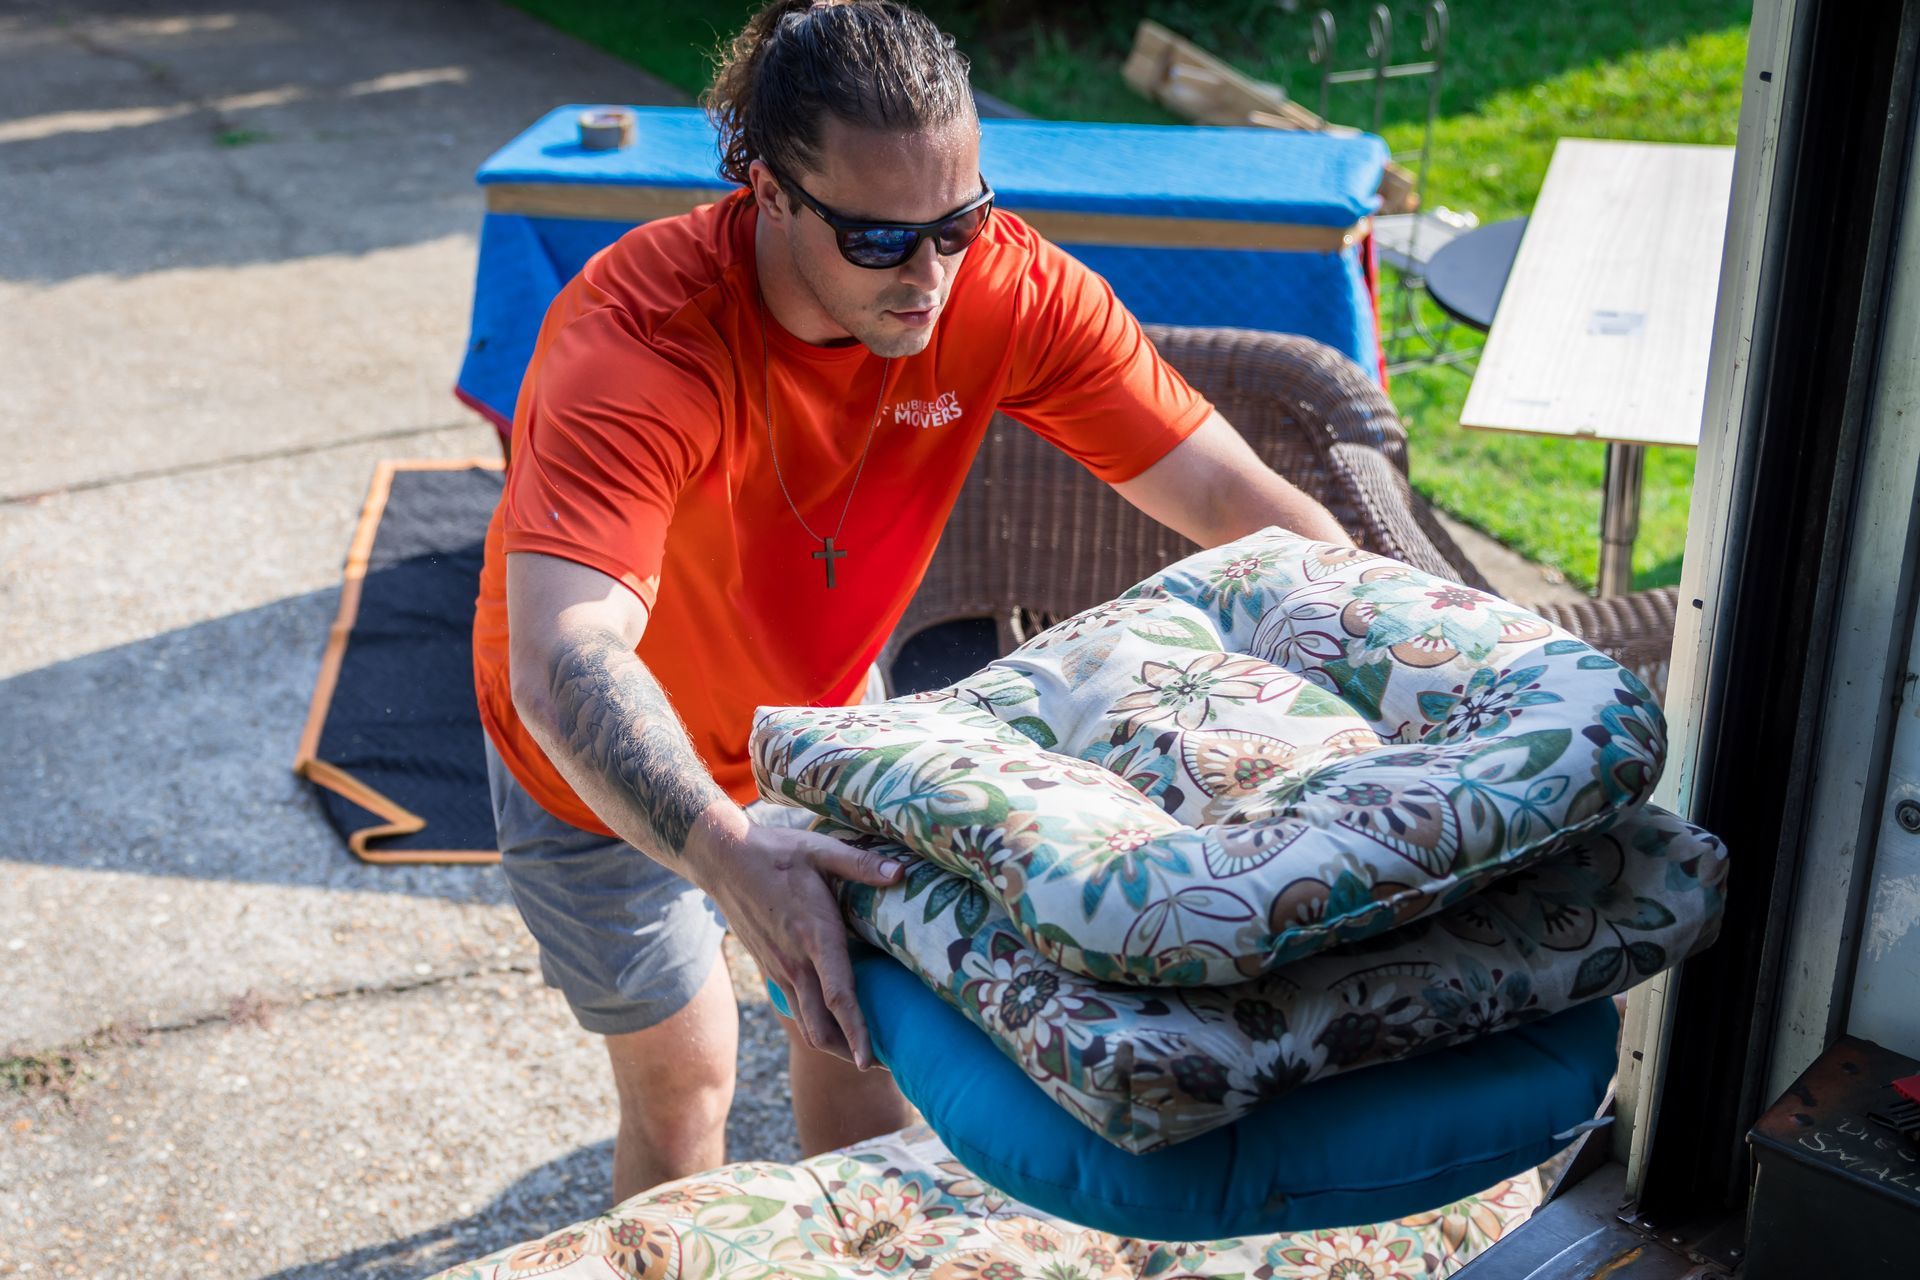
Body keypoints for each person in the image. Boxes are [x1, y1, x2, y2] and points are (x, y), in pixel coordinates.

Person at [470, 0, 1354, 1204]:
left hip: (816, 716)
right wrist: (729, 855)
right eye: (883, 240)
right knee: (687, 1087)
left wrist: (1404, 639)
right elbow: (566, 653)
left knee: (862, 1041)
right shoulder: (638, 342)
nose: (932, 277)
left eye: (959, 222)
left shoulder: (1000, 286)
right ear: (770, 189)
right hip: (597, 756)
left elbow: (1222, 488)